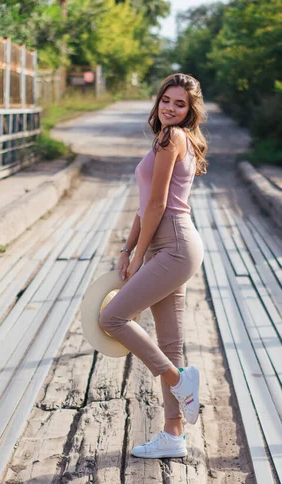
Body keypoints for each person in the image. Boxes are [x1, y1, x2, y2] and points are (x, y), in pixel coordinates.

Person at [99, 73, 208, 459]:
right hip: (174, 245)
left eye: (180, 104)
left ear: (190, 110)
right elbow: (145, 204)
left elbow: (158, 206)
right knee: (169, 342)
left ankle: (179, 380)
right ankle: (173, 435)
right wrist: (127, 248)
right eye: (167, 100)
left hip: (173, 246)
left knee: (112, 318)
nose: (171, 108)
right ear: (158, 100)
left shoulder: (172, 138)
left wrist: (140, 253)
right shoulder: (171, 139)